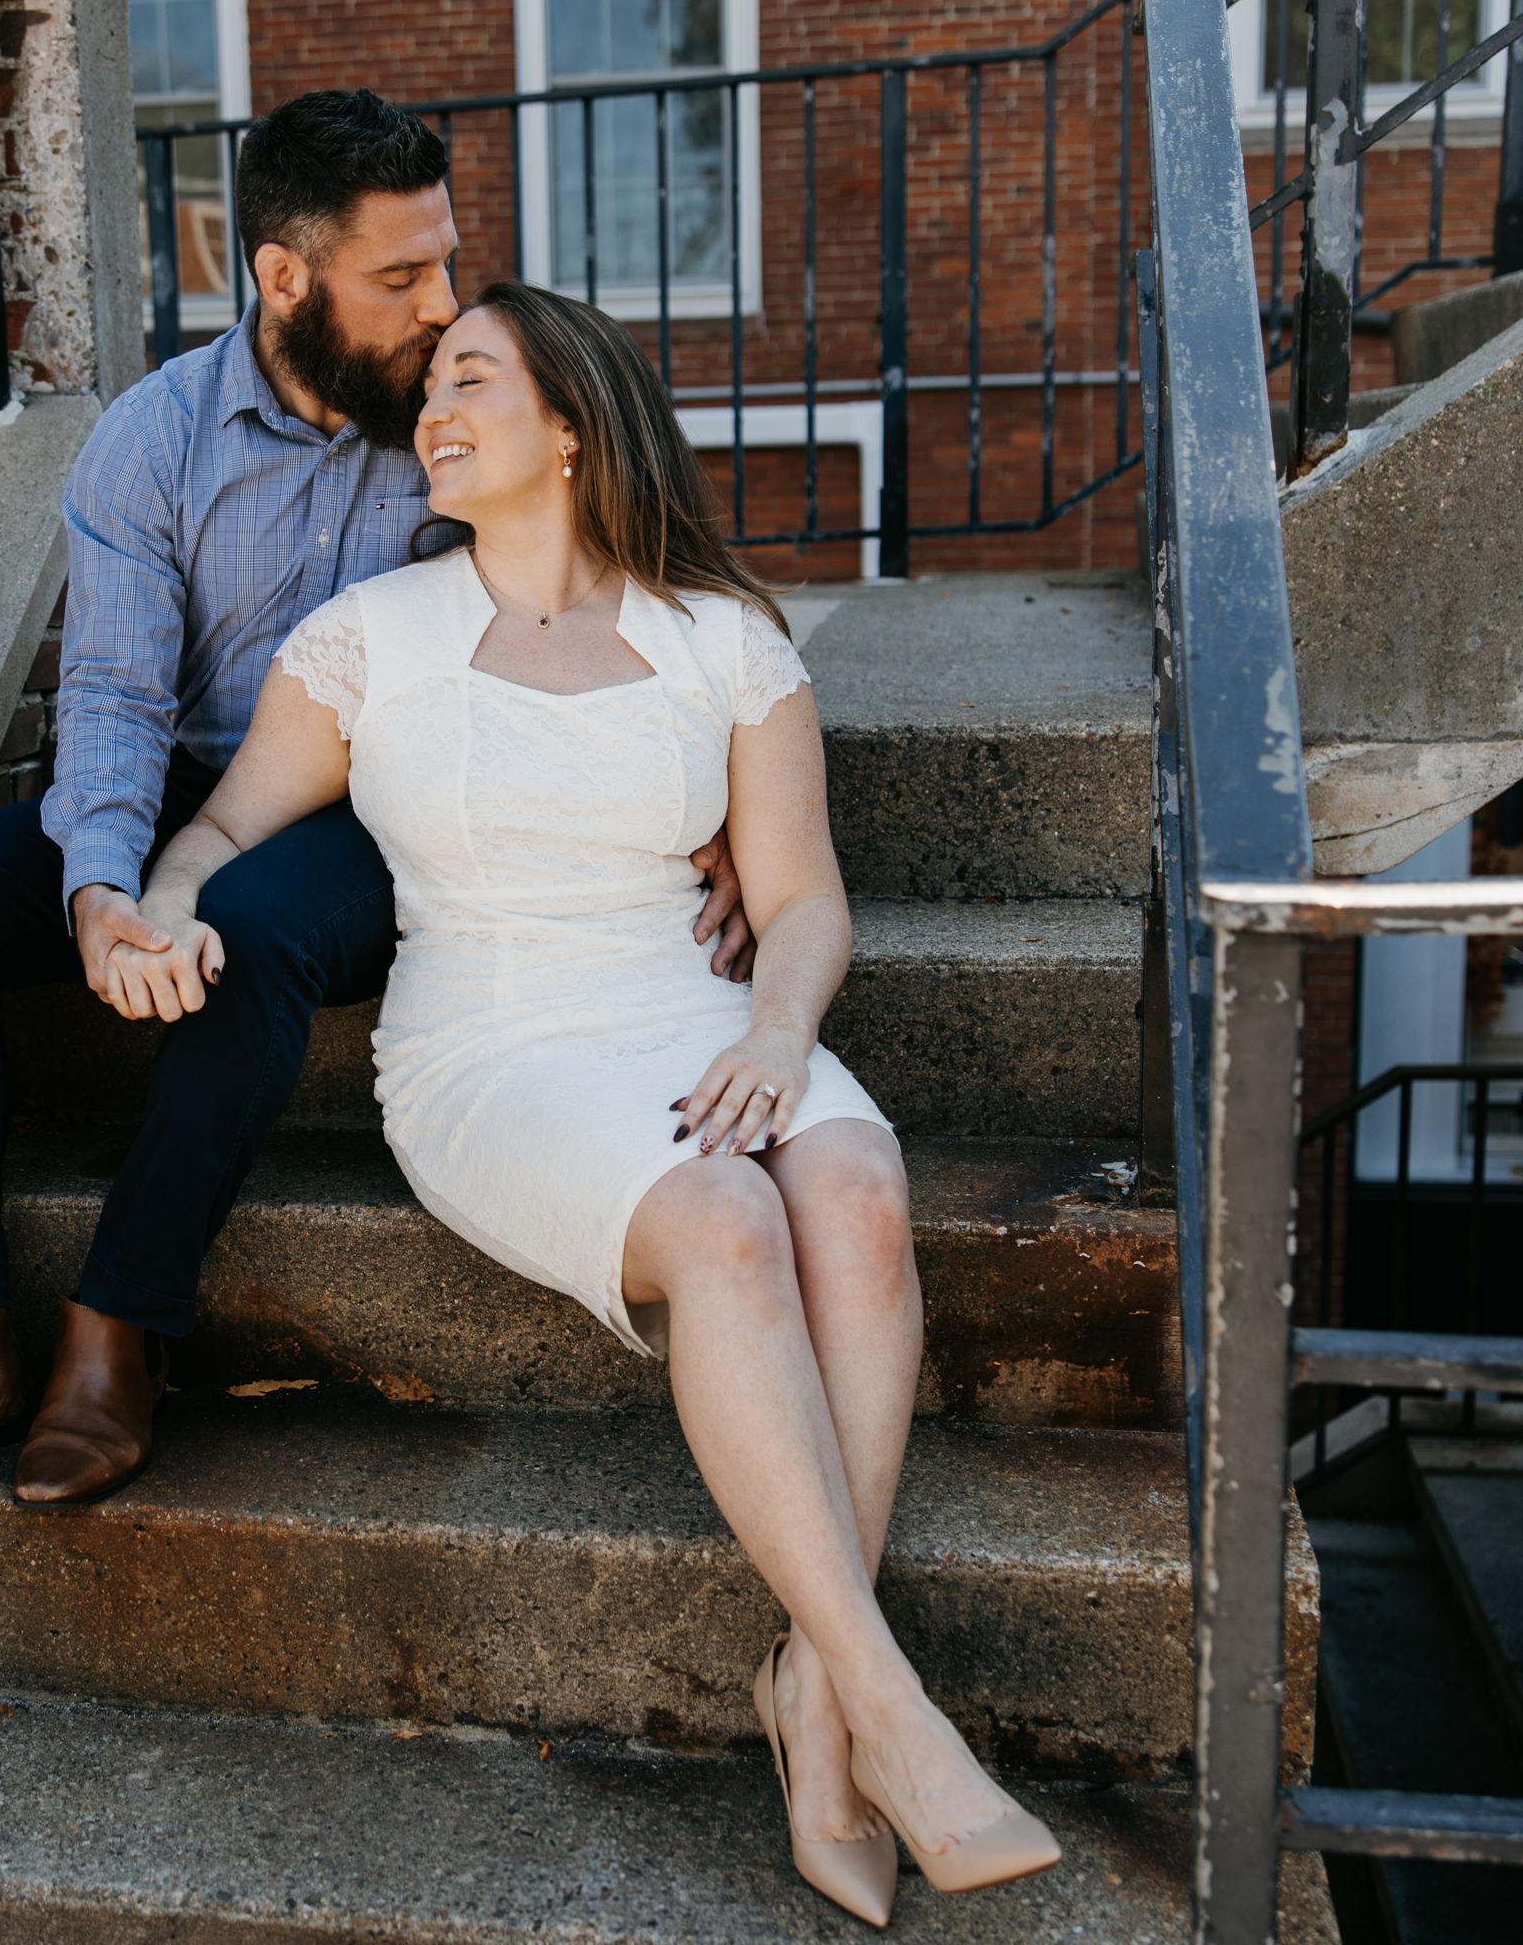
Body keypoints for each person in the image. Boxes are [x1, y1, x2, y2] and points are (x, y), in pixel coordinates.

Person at [108, 281, 1063, 1921]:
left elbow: (808, 895)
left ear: (570, 430)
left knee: (854, 1192)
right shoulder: (366, 643)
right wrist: (163, 901)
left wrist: (776, 1026)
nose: (435, 410)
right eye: (432, 390)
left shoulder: (725, 641)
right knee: (725, 1219)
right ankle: (888, 1705)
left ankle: (815, 1691)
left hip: (695, 1008)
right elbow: (215, 831)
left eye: (472, 380)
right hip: (491, 1041)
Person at [0, 90, 755, 1514]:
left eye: (444, 263)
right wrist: (99, 889)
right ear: (283, 279)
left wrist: (715, 796)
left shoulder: (458, 427)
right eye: (399, 279)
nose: (440, 308)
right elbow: (116, 697)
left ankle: (120, 1329)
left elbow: (635, 579)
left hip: (396, 806)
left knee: (252, 929)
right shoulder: (152, 444)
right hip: (198, 780)